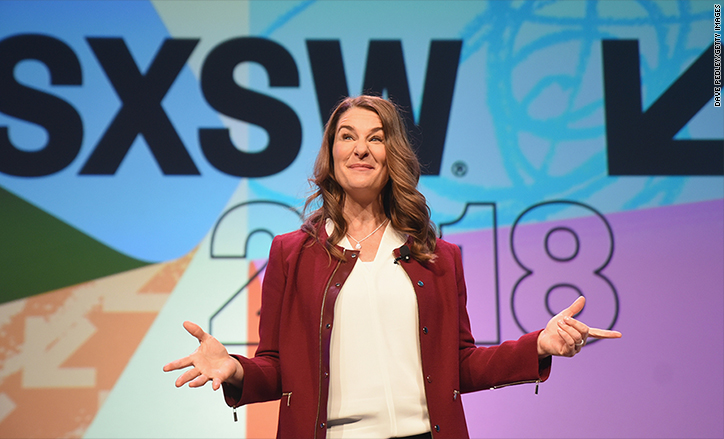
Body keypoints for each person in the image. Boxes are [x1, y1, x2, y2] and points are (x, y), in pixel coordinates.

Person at [163, 95, 621, 439]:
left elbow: (459, 366)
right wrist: (235, 369)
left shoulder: (437, 258)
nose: (360, 149)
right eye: (347, 136)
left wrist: (537, 345)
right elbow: (277, 369)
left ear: (391, 156)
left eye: (375, 138)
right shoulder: (289, 254)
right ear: (331, 154)